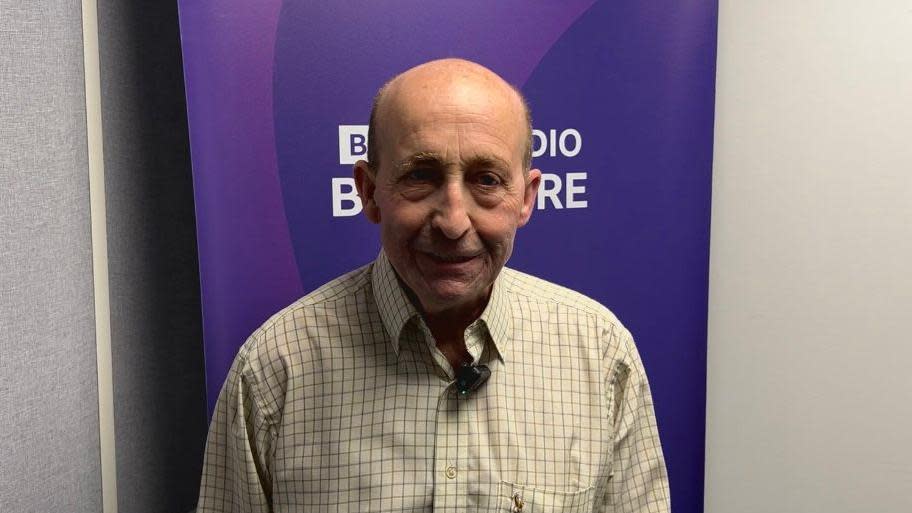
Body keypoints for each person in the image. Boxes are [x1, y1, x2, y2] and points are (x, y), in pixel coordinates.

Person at [197, 58, 669, 513]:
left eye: (486, 180)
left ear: (525, 199)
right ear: (368, 190)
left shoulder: (601, 354)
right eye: (420, 177)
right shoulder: (276, 368)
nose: (453, 221)